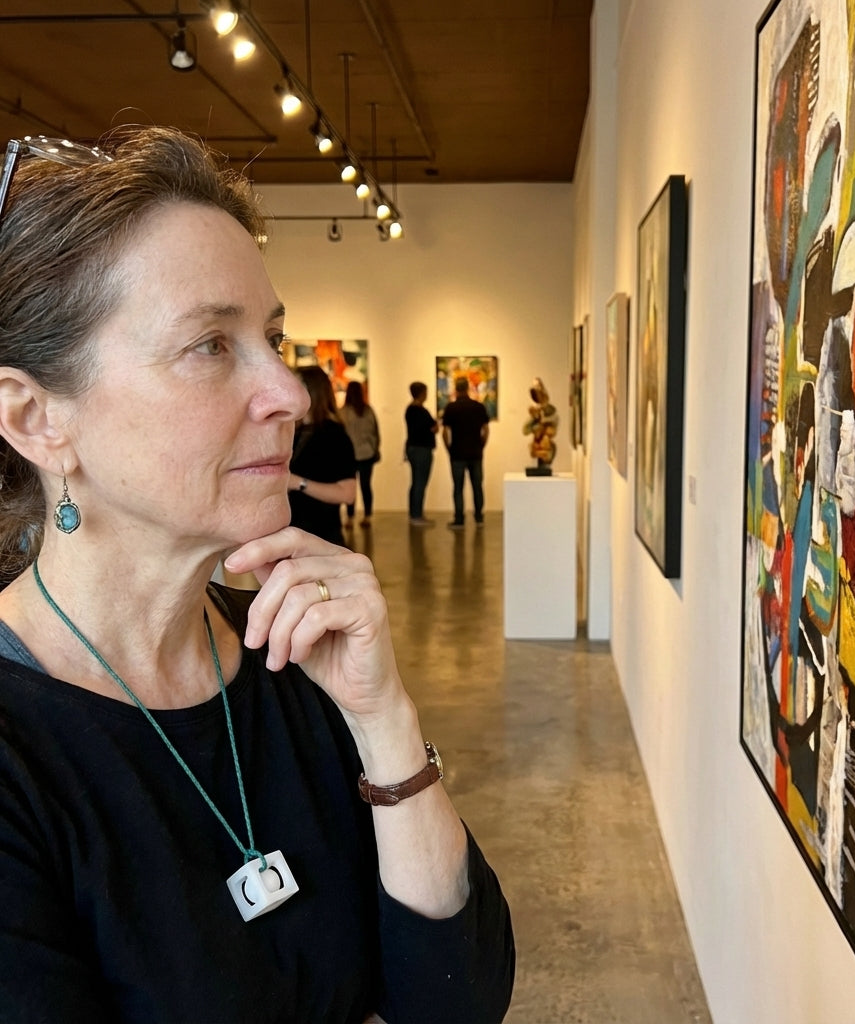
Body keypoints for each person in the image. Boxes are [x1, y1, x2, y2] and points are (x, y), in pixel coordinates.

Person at [0, 125, 514, 1023]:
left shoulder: (292, 651)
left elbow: (458, 1000)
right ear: (39, 418)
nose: (289, 391)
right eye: (210, 345)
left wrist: (385, 718)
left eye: (274, 337)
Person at [287, 365, 357, 544]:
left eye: (296, 385)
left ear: (312, 391)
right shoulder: (293, 431)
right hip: (289, 536)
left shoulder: (334, 436)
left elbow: (347, 494)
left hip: (321, 537)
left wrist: (298, 483)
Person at [442, 376, 490, 528]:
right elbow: (486, 430)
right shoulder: (478, 406)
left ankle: (459, 519)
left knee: (458, 487)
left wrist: (448, 448)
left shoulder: (451, 408)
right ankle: (479, 517)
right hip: (475, 452)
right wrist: (481, 445)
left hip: (457, 452)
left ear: (456, 389)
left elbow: (445, 432)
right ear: (468, 388)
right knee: (477, 486)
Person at [339, 379, 380, 528]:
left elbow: (339, 436)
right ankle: (367, 516)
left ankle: (350, 517)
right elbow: (376, 432)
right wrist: (375, 449)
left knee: (351, 486)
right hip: (367, 453)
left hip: (348, 456)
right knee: (366, 486)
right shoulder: (368, 410)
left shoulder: (343, 412)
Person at [404, 380, 438, 525]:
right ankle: (417, 515)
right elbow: (433, 427)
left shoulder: (409, 410)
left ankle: (414, 513)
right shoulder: (420, 411)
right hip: (422, 450)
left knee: (416, 482)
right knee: (419, 482)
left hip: (413, 448)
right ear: (421, 393)